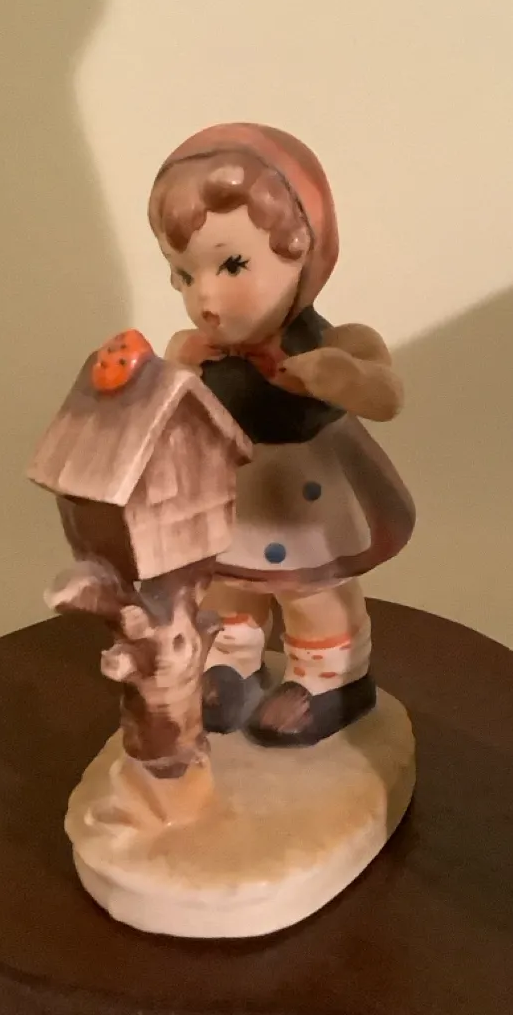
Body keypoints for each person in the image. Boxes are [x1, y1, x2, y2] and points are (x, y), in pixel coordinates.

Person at [149, 123, 414, 747]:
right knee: (224, 587)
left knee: (313, 595)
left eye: (232, 265)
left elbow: (388, 395)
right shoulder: (194, 347)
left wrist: (344, 376)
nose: (205, 297)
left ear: (306, 252)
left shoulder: (339, 340)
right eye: (184, 275)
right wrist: (173, 374)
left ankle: (330, 680)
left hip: (308, 495)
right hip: (230, 491)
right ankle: (229, 664)